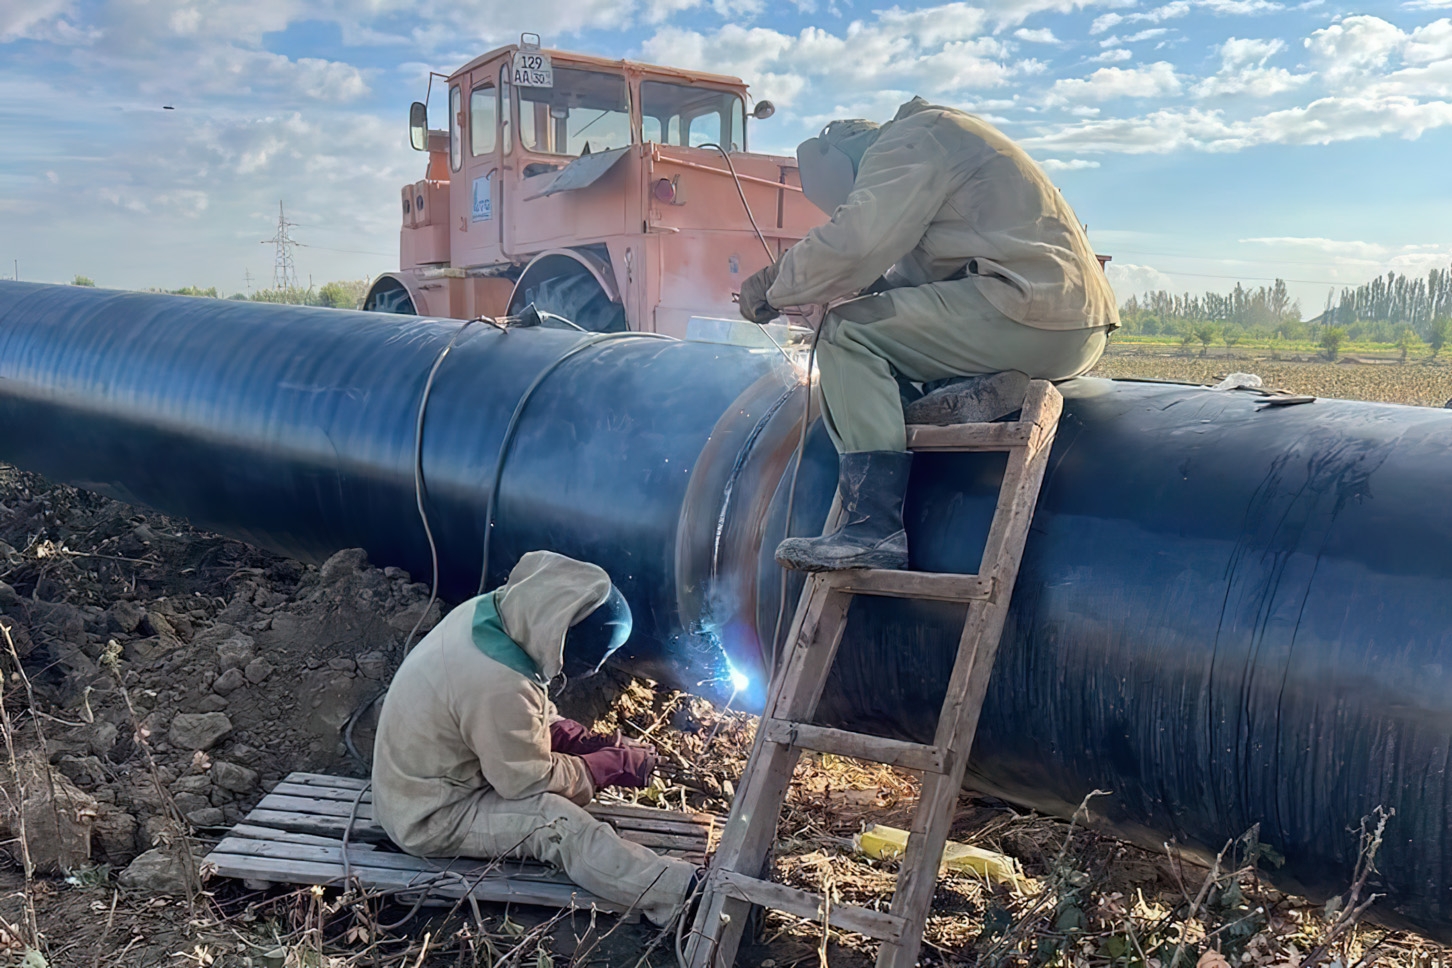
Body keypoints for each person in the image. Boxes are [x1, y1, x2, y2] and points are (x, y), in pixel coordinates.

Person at [739, 97, 1119, 573]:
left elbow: (856, 242)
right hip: (1070, 324)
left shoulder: (910, 140)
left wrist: (771, 287)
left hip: (1026, 311)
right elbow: (914, 279)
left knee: (844, 334)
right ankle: (947, 392)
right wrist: (858, 288)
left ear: (844, 164)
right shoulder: (946, 138)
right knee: (870, 324)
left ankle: (872, 527)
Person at [371, 550, 697, 926]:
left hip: (415, 783)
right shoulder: (497, 682)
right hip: (430, 814)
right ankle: (678, 893)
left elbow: (517, 715)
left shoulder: (493, 617)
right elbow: (528, 781)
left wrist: (581, 740)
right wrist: (602, 767)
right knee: (555, 823)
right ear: (561, 639)